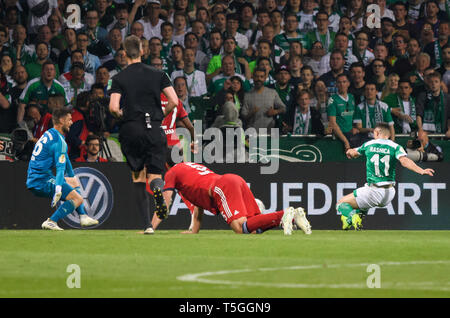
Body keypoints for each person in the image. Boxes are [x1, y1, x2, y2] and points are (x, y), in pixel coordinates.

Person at [108, 35, 178, 235]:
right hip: (154, 128)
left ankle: (147, 225)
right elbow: (174, 101)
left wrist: (122, 114)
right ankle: (157, 188)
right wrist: (159, 116)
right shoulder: (158, 74)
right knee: (155, 175)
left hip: (132, 128)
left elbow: (113, 107)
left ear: (123, 53)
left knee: (138, 177)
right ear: (142, 51)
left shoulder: (119, 78)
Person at [162, 161, 312, 235]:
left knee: (240, 228)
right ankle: (293, 217)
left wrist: (152, 223)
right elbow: (198, 206)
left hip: (223, 186)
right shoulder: (190, 171)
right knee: (253, 229)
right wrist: (194, 232)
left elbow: (165, 200)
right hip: (234, 179)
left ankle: (284, 213)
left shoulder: (174, 174)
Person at [337, 123, 435, 230]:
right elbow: (404, 161)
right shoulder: (396, 147)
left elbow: (353, 153)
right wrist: (421, 170)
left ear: (378, 132)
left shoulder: (369, 144)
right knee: (363, 203)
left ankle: (352, 216)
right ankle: (357, 219)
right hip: (389, 193)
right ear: (388, 135)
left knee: (341, 204)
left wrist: (349, 152)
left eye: (374, 132)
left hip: (373, 190)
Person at [25, 108, 99, 231]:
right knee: (78, 199)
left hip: (37, 178)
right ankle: (51, 221)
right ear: (61, 120)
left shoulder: (49, 133)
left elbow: (66, 162)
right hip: (41, 181)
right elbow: (60, 168)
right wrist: (58, 188)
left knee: (73, 182)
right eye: (69, 120)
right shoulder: (59, 141)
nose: (71, 123)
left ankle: (83, 216)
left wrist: (71, 176)